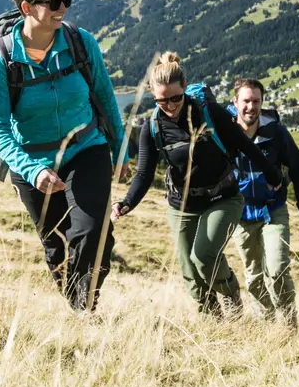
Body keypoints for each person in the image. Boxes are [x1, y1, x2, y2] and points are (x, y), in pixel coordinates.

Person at [0, 0, 127, 311]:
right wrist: (32, 171)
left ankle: (82, 310)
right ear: (27, 8)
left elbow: (106, 98)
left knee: (93, 235)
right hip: (32, 162)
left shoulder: (81, 42)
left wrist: (120, 149)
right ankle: (75, 302)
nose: (63, 8)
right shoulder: (2, 61)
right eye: (54, 2)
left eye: (66, 0)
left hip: (85, 149)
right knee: (57, 245)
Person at [111, 53, 281, 317]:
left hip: (223, 197)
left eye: (175, 98)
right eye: (161, 100)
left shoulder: (209, 113)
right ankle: (212, 322)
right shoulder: (153, 125)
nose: (169, 105)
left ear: (185, 87)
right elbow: (144, 173)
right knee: (189, 271)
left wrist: (272, 174)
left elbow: (244, 144)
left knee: (203, 256)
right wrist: (127, 202)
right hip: (182, 204)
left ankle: (231, 294)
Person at [228, 78, 299, 327]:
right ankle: (265, 327)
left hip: (273, 210)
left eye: (256, 101)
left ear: (262, 102)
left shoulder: (275, 133)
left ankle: (288, 327)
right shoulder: (225, 133)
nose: (250, 107)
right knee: (254, 277)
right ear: (235, 103)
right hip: (241, 215)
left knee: (276, 270)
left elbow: (298, 170)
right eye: (245, 101)